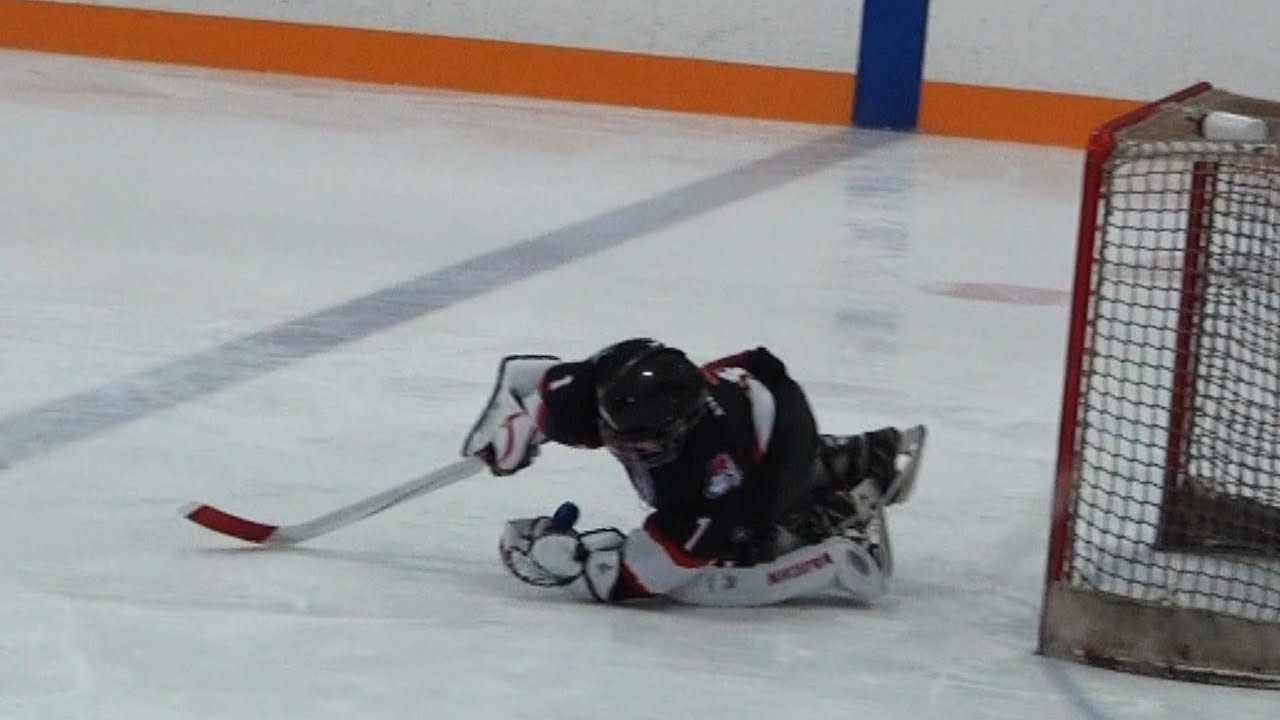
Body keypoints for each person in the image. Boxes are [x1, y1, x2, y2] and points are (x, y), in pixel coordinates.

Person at [461, 338, 926, 607]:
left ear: (682, 426)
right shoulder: (609, 378)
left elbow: (655, 575)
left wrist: (579, 569)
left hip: (781, 431)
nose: (627, 451)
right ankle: (862, 453)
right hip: (753, 388)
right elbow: (523, 376)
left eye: (645, 444)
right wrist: (511, 425)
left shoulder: (714, 471)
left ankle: (834, 513)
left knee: (741, 547)